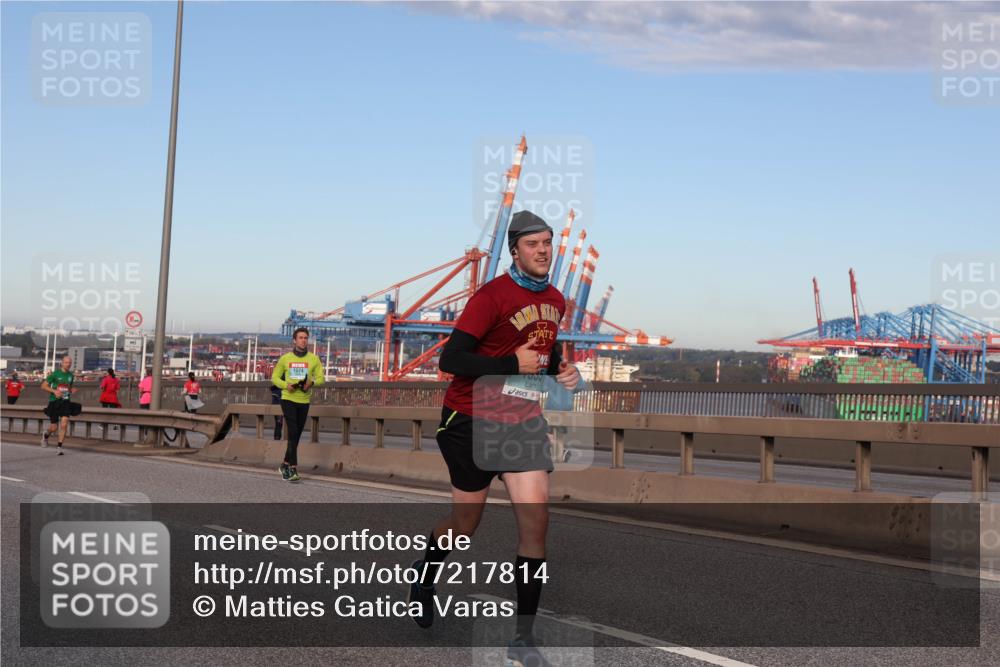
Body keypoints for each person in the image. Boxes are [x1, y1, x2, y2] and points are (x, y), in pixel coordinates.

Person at [407, 211, 580, 666]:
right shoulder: (491, 296)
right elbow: (453, 358)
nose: (543, 250)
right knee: (464, 527)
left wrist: (563, 368)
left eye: (547, 243)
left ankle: (522, 640)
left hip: (521, 419)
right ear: (515, 251)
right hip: (471, 417)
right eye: (533, 244)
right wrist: (509, 367)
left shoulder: (558, 300)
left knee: (536, 523)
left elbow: (544, 350)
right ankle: (425, 578)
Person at [270, 328, 325, 482]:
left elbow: (321, 378)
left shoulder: (314, 359)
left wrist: (311, 383)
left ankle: (284, 464)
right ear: (294, 340)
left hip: (304, 400)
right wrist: (285, 385)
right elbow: (274, 378)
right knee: (292, 431)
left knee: (297, 435)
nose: (303, 340)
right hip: (288, 398)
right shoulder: (285, 359)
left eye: (306, 338)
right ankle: (292, 469)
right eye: (300, 338)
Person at [40, 355, 82, 456]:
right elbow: (43, 386)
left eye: (70, 363)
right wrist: (54, 391)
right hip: (54, 402)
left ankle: (59, 447)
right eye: (67, 362)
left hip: (65, 402)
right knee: (54, 428)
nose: (68, 364)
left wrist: (72, 390)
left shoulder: (70, 376)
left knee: (64, 424)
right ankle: (46, 435)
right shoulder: (55, 374)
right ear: (62, 363)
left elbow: (68, 388)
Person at [270, 375, 284, 441]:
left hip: (275, 407)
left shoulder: (274, 389)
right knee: (279, 424)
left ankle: (276, 438)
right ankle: (277, 438)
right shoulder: (280, 390)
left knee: (278, 424)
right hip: (279, 407)